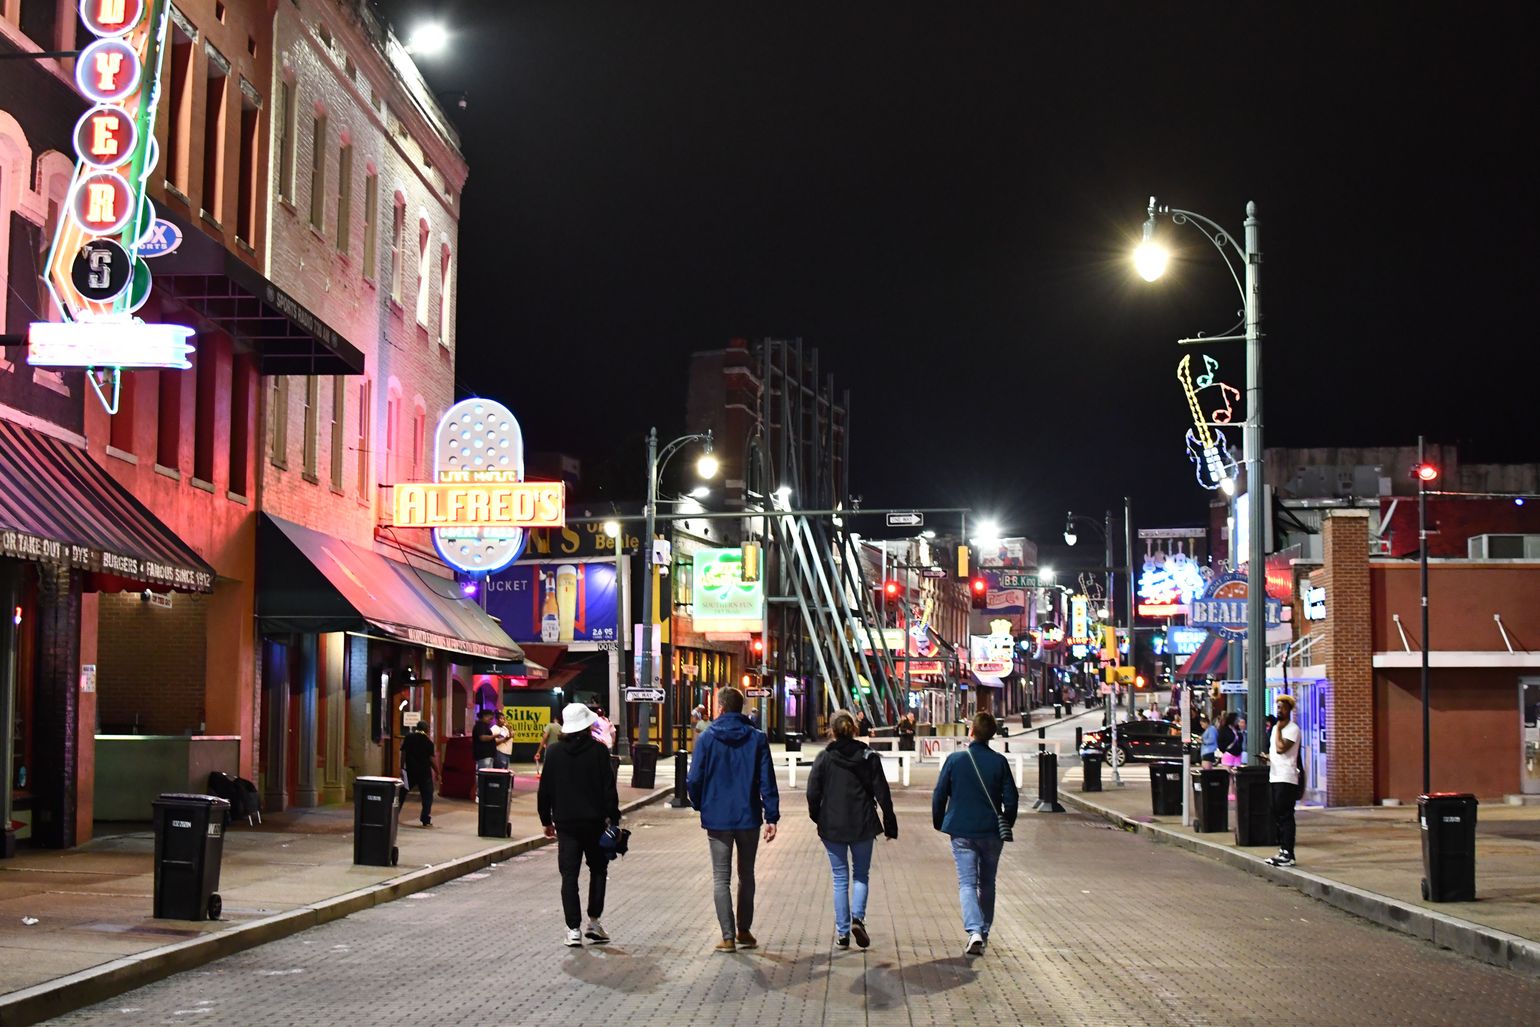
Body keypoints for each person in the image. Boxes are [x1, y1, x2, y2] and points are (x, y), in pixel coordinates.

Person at [686, 685, 780, 953]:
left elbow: (694, 779)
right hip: (748, 816)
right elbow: (766, 780)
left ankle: (727, 937)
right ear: (741, 708)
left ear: (721, 708)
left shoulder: (706, 738)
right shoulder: (757, 738)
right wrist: (771, 815)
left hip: (717, 817)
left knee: (720, 877)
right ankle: (744, 930)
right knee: (746, 875)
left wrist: (700, 803)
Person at [807, 710, 897, 949]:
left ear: (832, 731)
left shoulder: (824, 758)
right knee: (861, 874)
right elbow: (882, 792)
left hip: (833, 824)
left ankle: (843, 932)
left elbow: (812, 792)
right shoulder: (869, 757)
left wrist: (818, 817)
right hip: (863, 823)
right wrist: (890, 823)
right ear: (855, 730)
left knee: (839, 878)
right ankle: (858, 917)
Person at [932, 711, 1018, 957]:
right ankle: (985, 931)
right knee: (987, 882)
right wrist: (1006, 824)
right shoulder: (999, 762)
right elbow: (1011, 800)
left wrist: (939, 822)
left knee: (967, 883)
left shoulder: (955, 760)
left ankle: (974, 931)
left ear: (971, 732)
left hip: (961, 830)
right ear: (992, 734)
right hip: (991, 831)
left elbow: (939, 794)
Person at [538, 702, 623, 947]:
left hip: (565, 823)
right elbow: (609, 789)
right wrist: (613, 819)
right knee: (598, 870)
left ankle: (572, 929)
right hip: (594, 822)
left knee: (569, 876)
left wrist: (546, 820)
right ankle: (594, 922)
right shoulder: (599, 752)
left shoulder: (553, 752)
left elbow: (545, 790)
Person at [1265, 695, 1302, 867]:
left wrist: (1279, 729)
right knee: (1276, 814)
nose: (1280, 710)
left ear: (1289, 710)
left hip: (1287, 778)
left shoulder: (1292, 729)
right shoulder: (1275, 728)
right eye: (1278, 707)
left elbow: (1281, 749)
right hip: (1275, 775)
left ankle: (1289, 853)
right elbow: (1275, 752)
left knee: (1286, 815)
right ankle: (1282, 850)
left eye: (1283, 708)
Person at [400, 722, 439, 828]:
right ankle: (425, 819)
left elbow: (403, 753)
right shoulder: (428, 742)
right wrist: (437, 772)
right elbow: (431, 760)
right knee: (427, 796)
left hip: (410, 771)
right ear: (427, 729)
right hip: (424, 773)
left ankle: (394, 813)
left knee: (402, 793)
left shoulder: (409, 738)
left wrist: (402, 767)